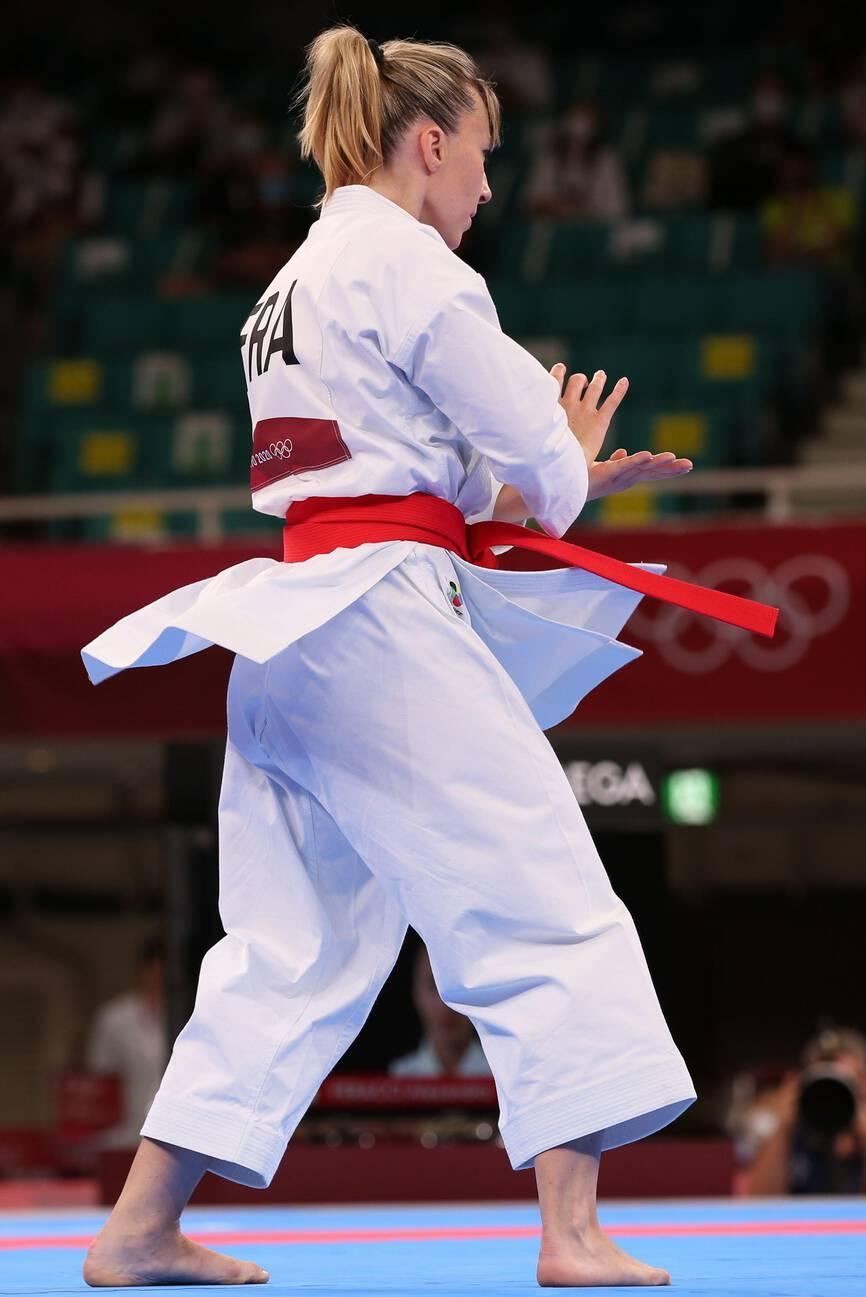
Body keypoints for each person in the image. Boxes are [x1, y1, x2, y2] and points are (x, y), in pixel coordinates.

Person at [79, 24, 764, 1289]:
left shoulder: (287, 288)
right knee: (544, 893)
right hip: (378, 622)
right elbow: (532, 461)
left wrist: (533, 486)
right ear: (432, 144)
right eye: (484, 156)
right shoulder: (414, 266)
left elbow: (397, 476)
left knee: (285, 947)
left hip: (290, 627)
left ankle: (138, 1225)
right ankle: (568, 1232)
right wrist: (563, 464)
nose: (489, 187)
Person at [85, 939, 169, 1149]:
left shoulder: (189, 1015)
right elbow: (100, 1078)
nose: (159, 980)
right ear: (143, 971)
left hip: (172, 1136)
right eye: (154, 972)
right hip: (123, 1136)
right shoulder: (114, 1018)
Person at [389, 944, 491, 1078]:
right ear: (416, 994)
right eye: (434, 985)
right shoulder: (398, 1079)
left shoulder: (502, 1079)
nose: (446, 1004)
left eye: (458, 985)